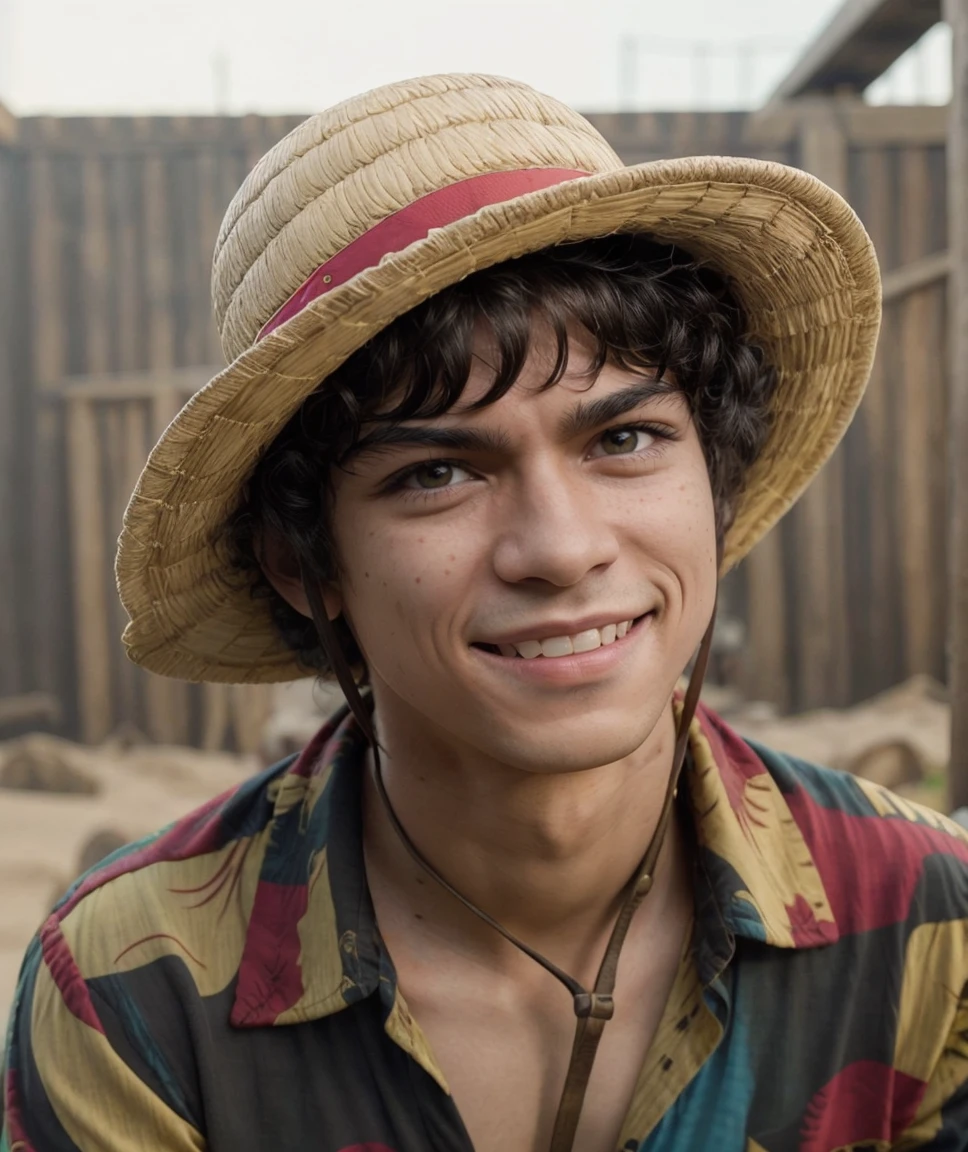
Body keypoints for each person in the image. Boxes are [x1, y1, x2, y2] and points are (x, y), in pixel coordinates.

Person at [2, 72, 967, 1152]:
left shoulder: (928, 925)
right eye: (434, 475)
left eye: (623, 439)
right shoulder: (139, 996)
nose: (559, 549)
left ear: (715, 480)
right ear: (301, 563)